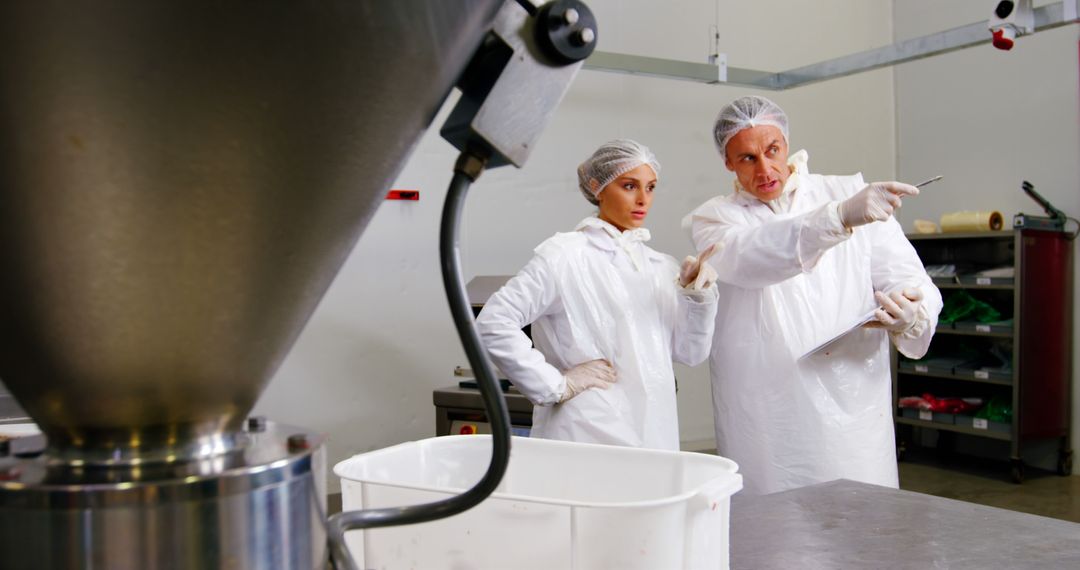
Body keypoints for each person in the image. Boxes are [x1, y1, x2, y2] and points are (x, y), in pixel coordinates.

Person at [683, 95, 943, 494]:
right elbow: (752, 257)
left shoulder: (850, 193)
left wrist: (913, 314)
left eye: (772, 150)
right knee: (778, 539)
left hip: (855, 401)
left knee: (863, 528)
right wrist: (837, 218)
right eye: (747, 158)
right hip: (767, 411)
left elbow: (908, 278)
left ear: (787, 143)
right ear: (728, 163)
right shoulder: (715, 219)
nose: (766, 169)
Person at [476, 139, 719, 450]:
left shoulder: (659, 266)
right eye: (630, 186)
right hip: (585, 434)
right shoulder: (564, 256)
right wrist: (557, 385)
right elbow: (493, 323)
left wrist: (697, 296)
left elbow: (690, 353)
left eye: (651, 187)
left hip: (654, 435)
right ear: (597, 187)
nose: (643, 199)